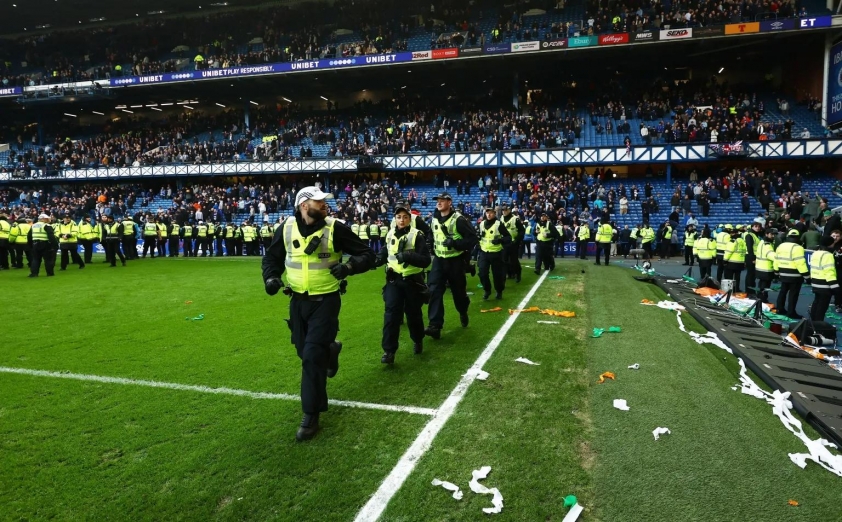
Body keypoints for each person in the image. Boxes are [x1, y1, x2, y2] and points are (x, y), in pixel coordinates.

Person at [262, 186, 374, 441]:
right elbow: (271, 259)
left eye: (324, 201)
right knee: (305, 352)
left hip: (326, 302)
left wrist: (349, 267)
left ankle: (311, 414)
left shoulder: (336, 228)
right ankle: (331, 350)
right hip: (297, 302)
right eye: (319, 201)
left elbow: (368, 254)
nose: (324, 205)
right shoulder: (286, 227)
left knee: (312, 357)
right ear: (304, 205)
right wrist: (270, 278)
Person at [374, 202, 431, 364]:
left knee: (413, 314)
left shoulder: (417, 235)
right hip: (394, 280)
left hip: (413, 281)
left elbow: (426, 260)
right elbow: (386, 251)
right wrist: (378, 258)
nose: (402, 220)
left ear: (410, 219)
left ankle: (418, 339)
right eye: (399, 217)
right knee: (391, 315)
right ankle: (389, 351)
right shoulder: (390, 233)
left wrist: (408, 256)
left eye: (405, 217)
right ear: (395, 218)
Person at [425, 192, 477, 339]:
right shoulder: (434, 218)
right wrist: (430, 243)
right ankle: (435, 325)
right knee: (434, 290)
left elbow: (473, 239)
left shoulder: (459, 220)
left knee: (458, 294)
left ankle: (463, 311)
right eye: (438, 200)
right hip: (439, 261)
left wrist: (455, 243)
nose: (439, 202)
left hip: (456, 261)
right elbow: (432, 234)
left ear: (450, 202)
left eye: (442, 200)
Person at [774, 229, 809, 319]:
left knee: (783, 292)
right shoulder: (798, 248)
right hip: (795, 275)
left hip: (782, 273)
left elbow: (776, 259)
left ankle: (780, 309)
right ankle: (791, 312)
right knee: (793, 295)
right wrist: (807, 276)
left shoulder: (781, 246)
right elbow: (800, 263)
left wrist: (776, 271)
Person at [477, 206, 511, 300]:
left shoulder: (498, 224)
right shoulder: (481, 224)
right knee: (482, 273)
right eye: (487, 213)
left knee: (497, 275)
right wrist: (478, 242)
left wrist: (500, 240)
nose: (489, 214)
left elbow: (508, 237)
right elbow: (479, 236)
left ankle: (499, 291)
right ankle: (487, 290)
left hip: (496, 253)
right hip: (484, 252)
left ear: (495, 214)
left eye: (491, 213)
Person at [809, 245, 838, 322]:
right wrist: (835, 286)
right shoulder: (828, 255)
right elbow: (829, 272)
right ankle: (818, 323)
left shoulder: (815, 253)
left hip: (815, 282)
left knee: (816, 302)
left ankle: (813, 322)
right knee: (822, 306)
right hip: (824, 284)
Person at [500, 206, 524, 282]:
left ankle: (518, 273)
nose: (504, 212)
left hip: (513, 243)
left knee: (514, 260)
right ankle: (509, 273)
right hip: (504, 243)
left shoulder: (515, 219)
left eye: (505, 210)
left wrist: (517, 240)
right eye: (503, 210)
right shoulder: (501, 218)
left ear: (509, 210)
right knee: (504, 260)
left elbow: (522, 231)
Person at [754, 228, 777, 300]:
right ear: (766, 234)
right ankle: (763, 299)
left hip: (760, 267)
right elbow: (771, 255)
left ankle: (760, 299)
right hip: (766, 268)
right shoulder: (767, 244)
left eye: (774, 234)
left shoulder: (762, 242)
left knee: (761, 284)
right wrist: (779, 257)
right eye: (771, 234)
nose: (773, 236)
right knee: (765, 286)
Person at [722, 227, 747, 292]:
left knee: (729, 277)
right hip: (740, 262)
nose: (731, 234)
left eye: (732, 233)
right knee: (737, 277)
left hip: (732, 262)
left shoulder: (732, 241)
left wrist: (725, 260)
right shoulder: (742, 241)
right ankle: (736, 289)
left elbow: (728, 252)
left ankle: (729, 290)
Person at [743, 222, 762, 297]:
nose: (757, 228)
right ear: (752, 227)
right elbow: (749, 248)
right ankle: (749, 291)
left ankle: (751, 291)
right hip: (750, 257)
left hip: (754, 256)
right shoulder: (749, 235)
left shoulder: (756, 235)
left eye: (759, 227)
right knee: (750, 275)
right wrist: (753, 259)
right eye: (755, 226)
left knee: (752, 275)